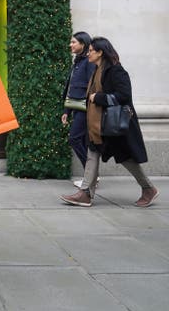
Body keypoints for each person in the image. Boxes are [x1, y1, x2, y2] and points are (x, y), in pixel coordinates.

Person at [60, 37, 159, 207]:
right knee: (92, 153)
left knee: (127, 159)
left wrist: (98, 97)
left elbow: (124, 95)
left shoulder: (116, 71)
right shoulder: (96, 70)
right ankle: (85, 193)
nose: (89, 53)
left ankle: (149, 189)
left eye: (91, 50)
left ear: (100, 52)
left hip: (114, 124)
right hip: (99, 125)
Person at [60, 31, 96, 187]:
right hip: (76, 107)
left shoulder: (88, 62)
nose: (71, 45)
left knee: (75, 139)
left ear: (83, 44)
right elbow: (71, 87)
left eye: (74, 42)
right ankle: (91, 176)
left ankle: (91, 176)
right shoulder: (78, 61)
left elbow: (91, 85)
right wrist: (66, 111)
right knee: (81, 140)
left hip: (85, 108)